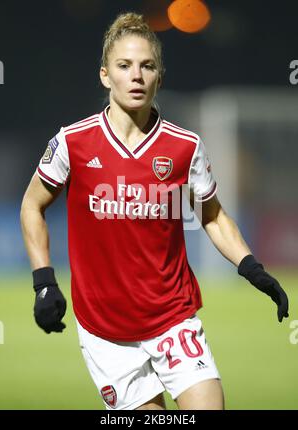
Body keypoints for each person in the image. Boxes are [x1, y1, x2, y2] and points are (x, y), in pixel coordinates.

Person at [20, 12, 289, 411]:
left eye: (147, 66)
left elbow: (211, 215)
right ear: (105, 75)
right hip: (106, 331)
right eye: (124, 66)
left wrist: (251, 267)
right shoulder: (73, 142)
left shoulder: (184, 147)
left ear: (159, 76)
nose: (136, 76)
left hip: (171, 316)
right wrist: (44, 281)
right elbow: (32, 205)